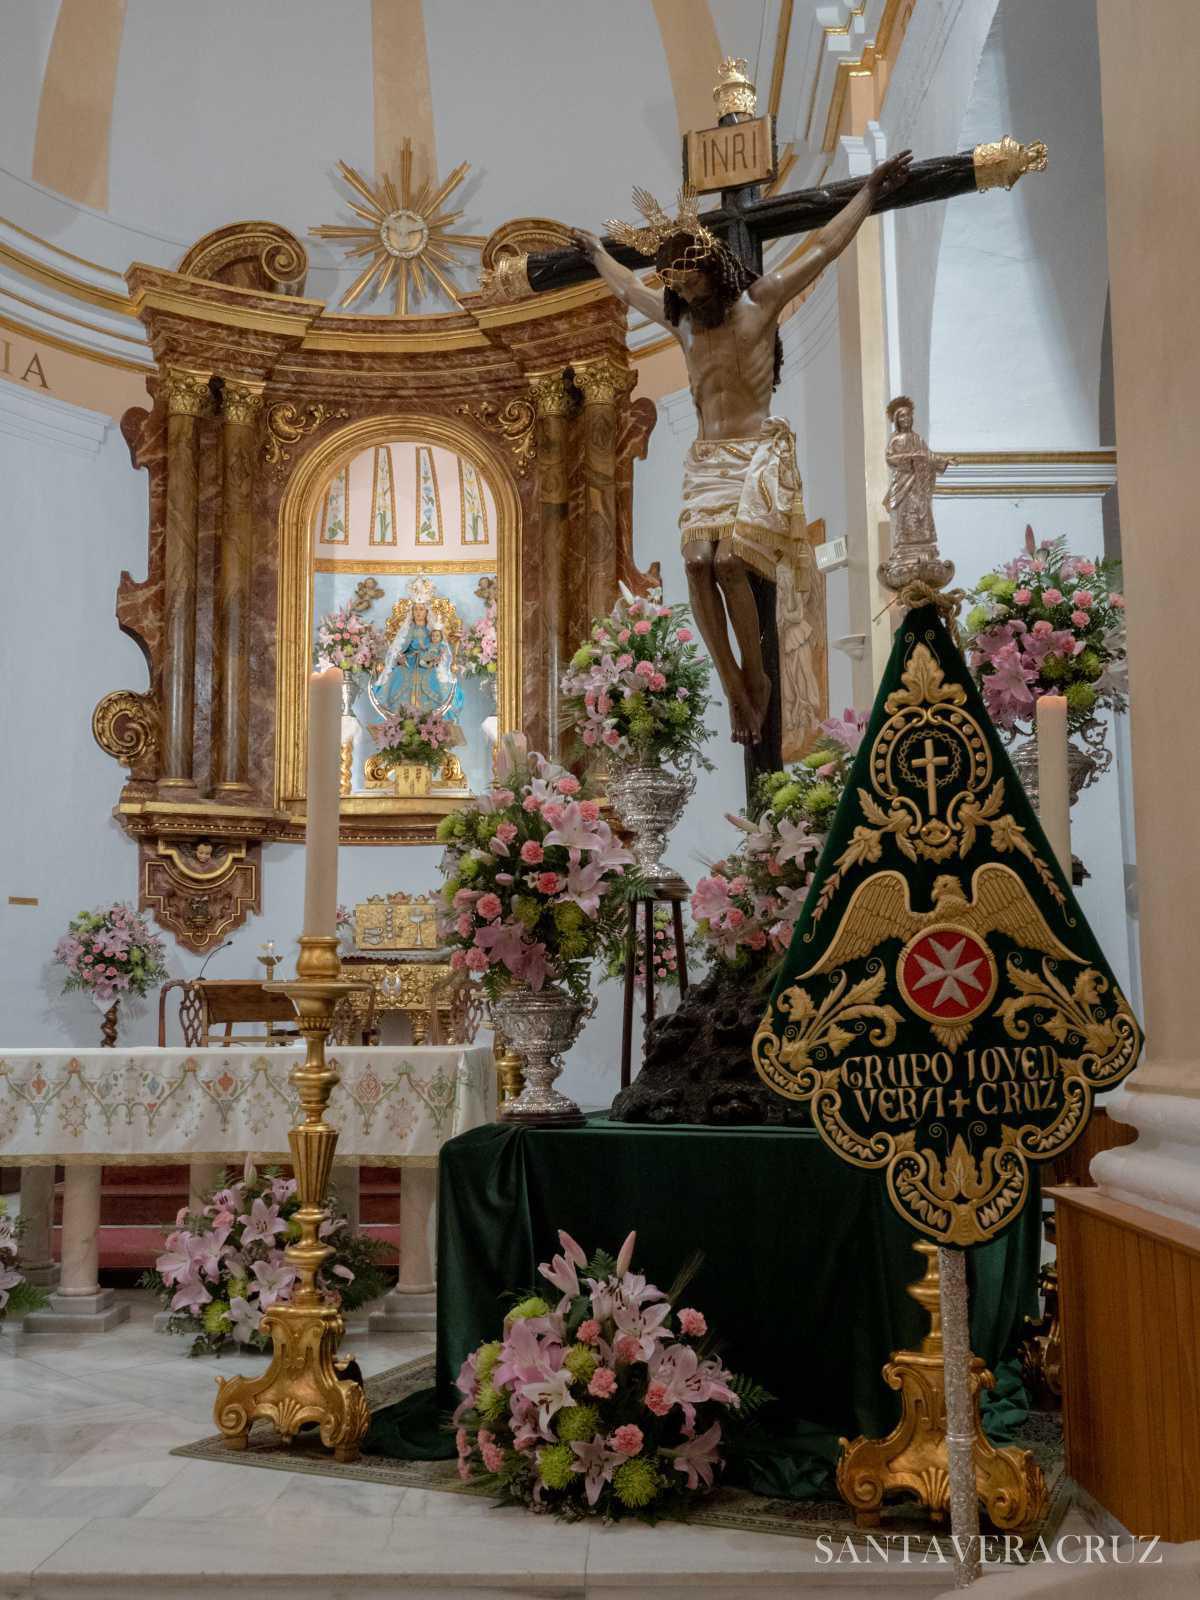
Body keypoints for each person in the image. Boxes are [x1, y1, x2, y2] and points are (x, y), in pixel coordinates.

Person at [570, 150, 912, 744]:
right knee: (695, 564)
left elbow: (824, 247)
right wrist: (598, 255)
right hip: (708, 460)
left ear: (714, 268)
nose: (680, 289)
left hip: (756, 451)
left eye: (689, 277)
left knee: (729, 561)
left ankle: (757, 676)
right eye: (673, 281)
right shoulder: (683, 326)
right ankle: (734, 685)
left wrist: (871, 191)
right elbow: (628, 289)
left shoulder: (761, 302)